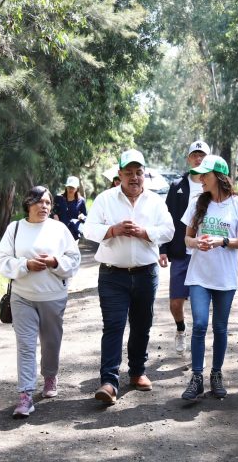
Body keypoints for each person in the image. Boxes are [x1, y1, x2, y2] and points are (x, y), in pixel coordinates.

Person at [84, 149, 175, 405]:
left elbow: (169, 230)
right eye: (129, 173)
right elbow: (89, 229)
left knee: (142, 324)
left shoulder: (155, 201)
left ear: (144, 174)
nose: (134, 177)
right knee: (113, 325)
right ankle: (109, 382)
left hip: (146, 273)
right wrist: (113, 230)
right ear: (120, 175)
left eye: (138, 172)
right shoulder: (105, 199)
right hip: (112, 274)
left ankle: (137, 372)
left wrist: (145, 232)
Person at [0, 186, 81, 418]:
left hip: (53, 297)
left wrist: (55, 262)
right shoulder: (15, 228)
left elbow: (74, 259)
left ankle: (50, 376)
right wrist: (25, 265)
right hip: (22, 297)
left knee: (51, 343)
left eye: (48, 202)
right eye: (39, 202)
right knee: (25, 346)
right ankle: (25, 396)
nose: (44, 206)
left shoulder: (59, 229)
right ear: (28, 204)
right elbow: (1, 260)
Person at [180, 155, 238, 401]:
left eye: (205, 174)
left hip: (225, 277)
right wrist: (196, 243)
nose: (200, 178)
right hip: (199, 275)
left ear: (219, 177)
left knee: (220, 327)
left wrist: (222, 241)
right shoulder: (197, 203)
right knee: (200, 324)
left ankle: (216, 374)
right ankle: (196, 377)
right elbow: (187, 238)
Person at [158, 140, 210, 355]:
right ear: (189, 159)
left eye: (202, 155)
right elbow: (166, 218)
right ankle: (181, 328)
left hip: (205, 253)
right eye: (195, 155)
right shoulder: (177, 185)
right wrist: (163, 248)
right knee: (176, 303)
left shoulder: (213, 185)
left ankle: (198, 345)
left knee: (200, 306)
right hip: (182, 252)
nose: (198, 158)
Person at [53, 176, 87, 241]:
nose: (70, 189)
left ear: (77, 188)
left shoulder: (81, 201)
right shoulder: (58, 198)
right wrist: (54, 215)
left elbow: (85, 215)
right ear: (66, 187)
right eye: (69, 187)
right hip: (59, 230)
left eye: (73, 188)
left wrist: (82, 216)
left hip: (73, 233)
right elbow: (52, 210)